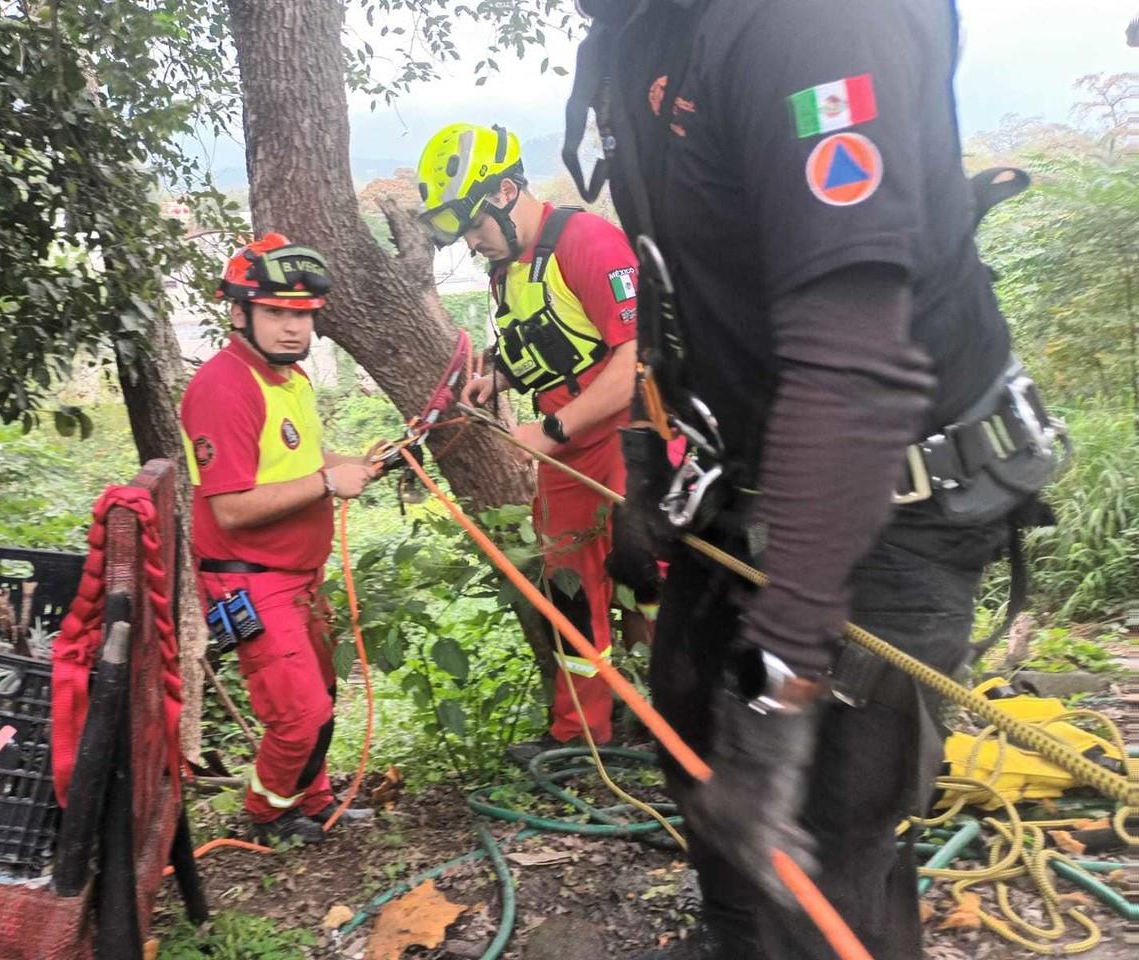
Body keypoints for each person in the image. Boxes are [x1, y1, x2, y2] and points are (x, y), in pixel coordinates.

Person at [562, 2, 1066, 957]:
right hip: (751, 477)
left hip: (889, 491)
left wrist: (778, 682)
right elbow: (687, 290)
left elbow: (852, 363)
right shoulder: (642, 29)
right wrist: (647, 457)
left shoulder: (811, 20)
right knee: (711, 793)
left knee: (818, 859)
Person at [416, 123, 642, 759]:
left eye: (476, 226)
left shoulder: (590, 244)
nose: (473, 241)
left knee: (649, 581)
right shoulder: (506, 266)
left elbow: (632, 364)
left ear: (508, 191)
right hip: (565, 453)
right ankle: (580, 735)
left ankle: (675, 719)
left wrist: (550, 430)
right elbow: (546, 335)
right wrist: (501, 376)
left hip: (625, 443)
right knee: (570, 591)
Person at [180, 233, 377, 844]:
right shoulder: (223, 388)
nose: (293, 328)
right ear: (239, 313)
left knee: (319, 692)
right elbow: (233, 508)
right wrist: (326, 482)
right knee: (298, 713)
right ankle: (266, 813)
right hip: (245, 581)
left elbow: (300, 457)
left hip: (295, 576)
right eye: (276, 313)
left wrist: (360, 463)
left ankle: (312, 799)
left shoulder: (287, 379)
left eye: (302, 315)